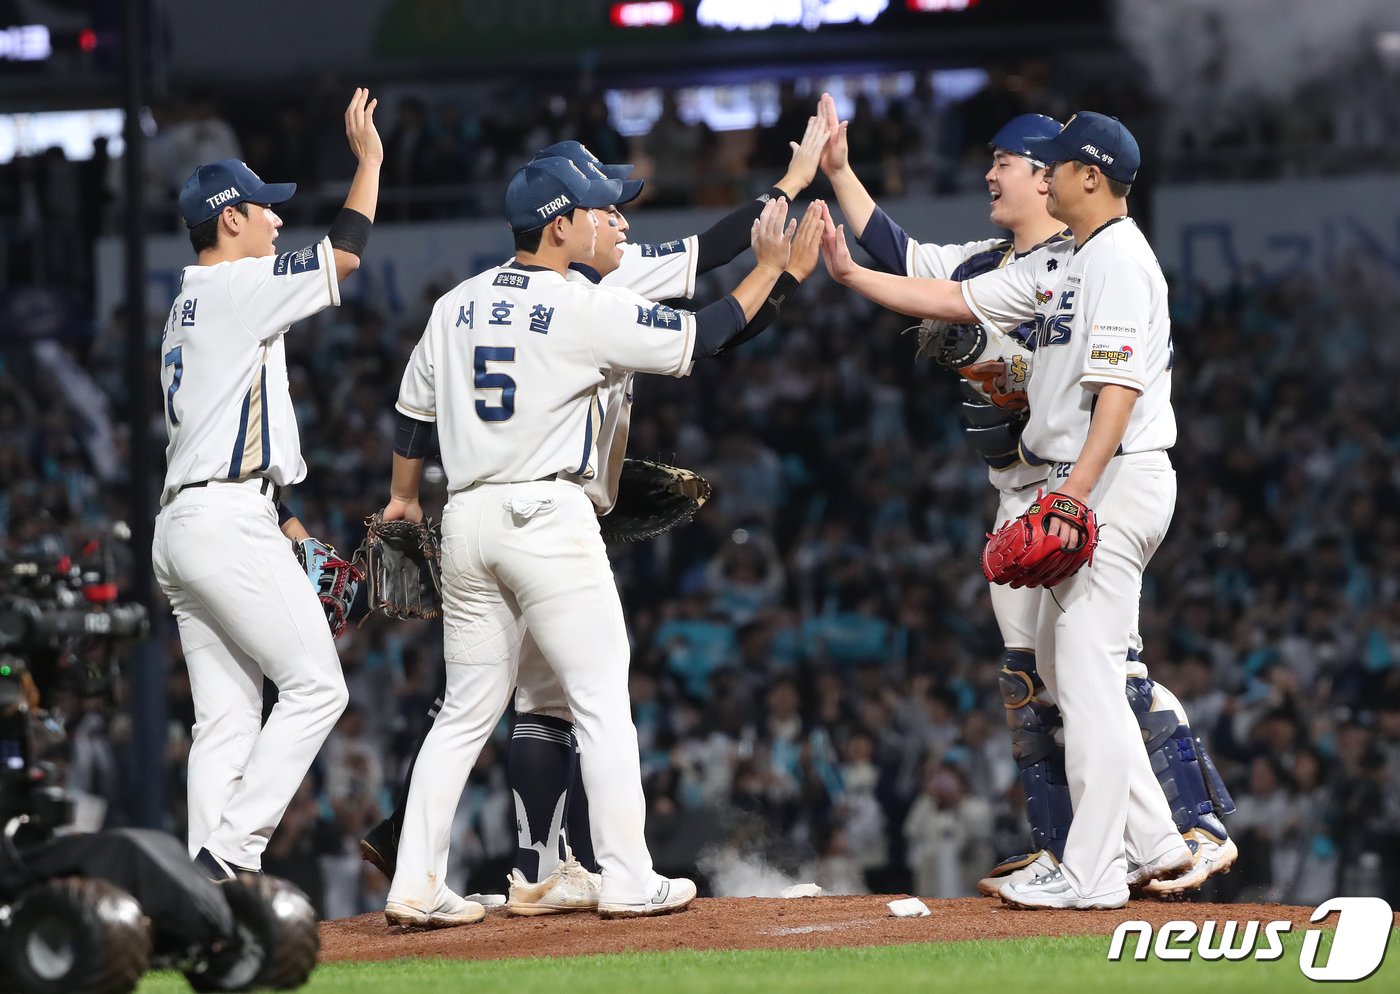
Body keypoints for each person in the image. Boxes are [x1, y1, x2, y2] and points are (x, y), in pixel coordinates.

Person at [360, 124, 831, 914]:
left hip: (467, 518)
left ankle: (417, 886)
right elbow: (708, 333)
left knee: (465, 710)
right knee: (602, 699)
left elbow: (412, 417)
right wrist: (775, 273)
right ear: (560, 226)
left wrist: (404, 498)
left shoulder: (454, 304)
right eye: (600, 208)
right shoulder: (581, 305)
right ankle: (629, 877)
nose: (614, 216)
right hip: (547, 512)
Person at [816, 94, 1237, 899]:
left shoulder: (1115, 259)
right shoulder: (1068, 260)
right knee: (1060, 669)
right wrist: (849, 272)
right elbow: (955, 299)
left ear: (1082, 176)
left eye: (1045, 166)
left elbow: (1117, 388)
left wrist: (1074, 496)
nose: (1030, 179)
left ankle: (1098, 869)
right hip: (1067, 482)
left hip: (1099, 481)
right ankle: (1150, 844)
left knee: (1091, 678)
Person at [151, 89, 383, 879]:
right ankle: (228, 857)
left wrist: (289, 530)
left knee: (225, 719)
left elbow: (233, 435)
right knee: (319, 689)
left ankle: (198, 891)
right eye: (263, 209)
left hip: (191, 521)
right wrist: (370, 162)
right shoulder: (233, 289)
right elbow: (344, 253)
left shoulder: (190, 302)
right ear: (228, 221)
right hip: (221, 520)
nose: (276, 219)